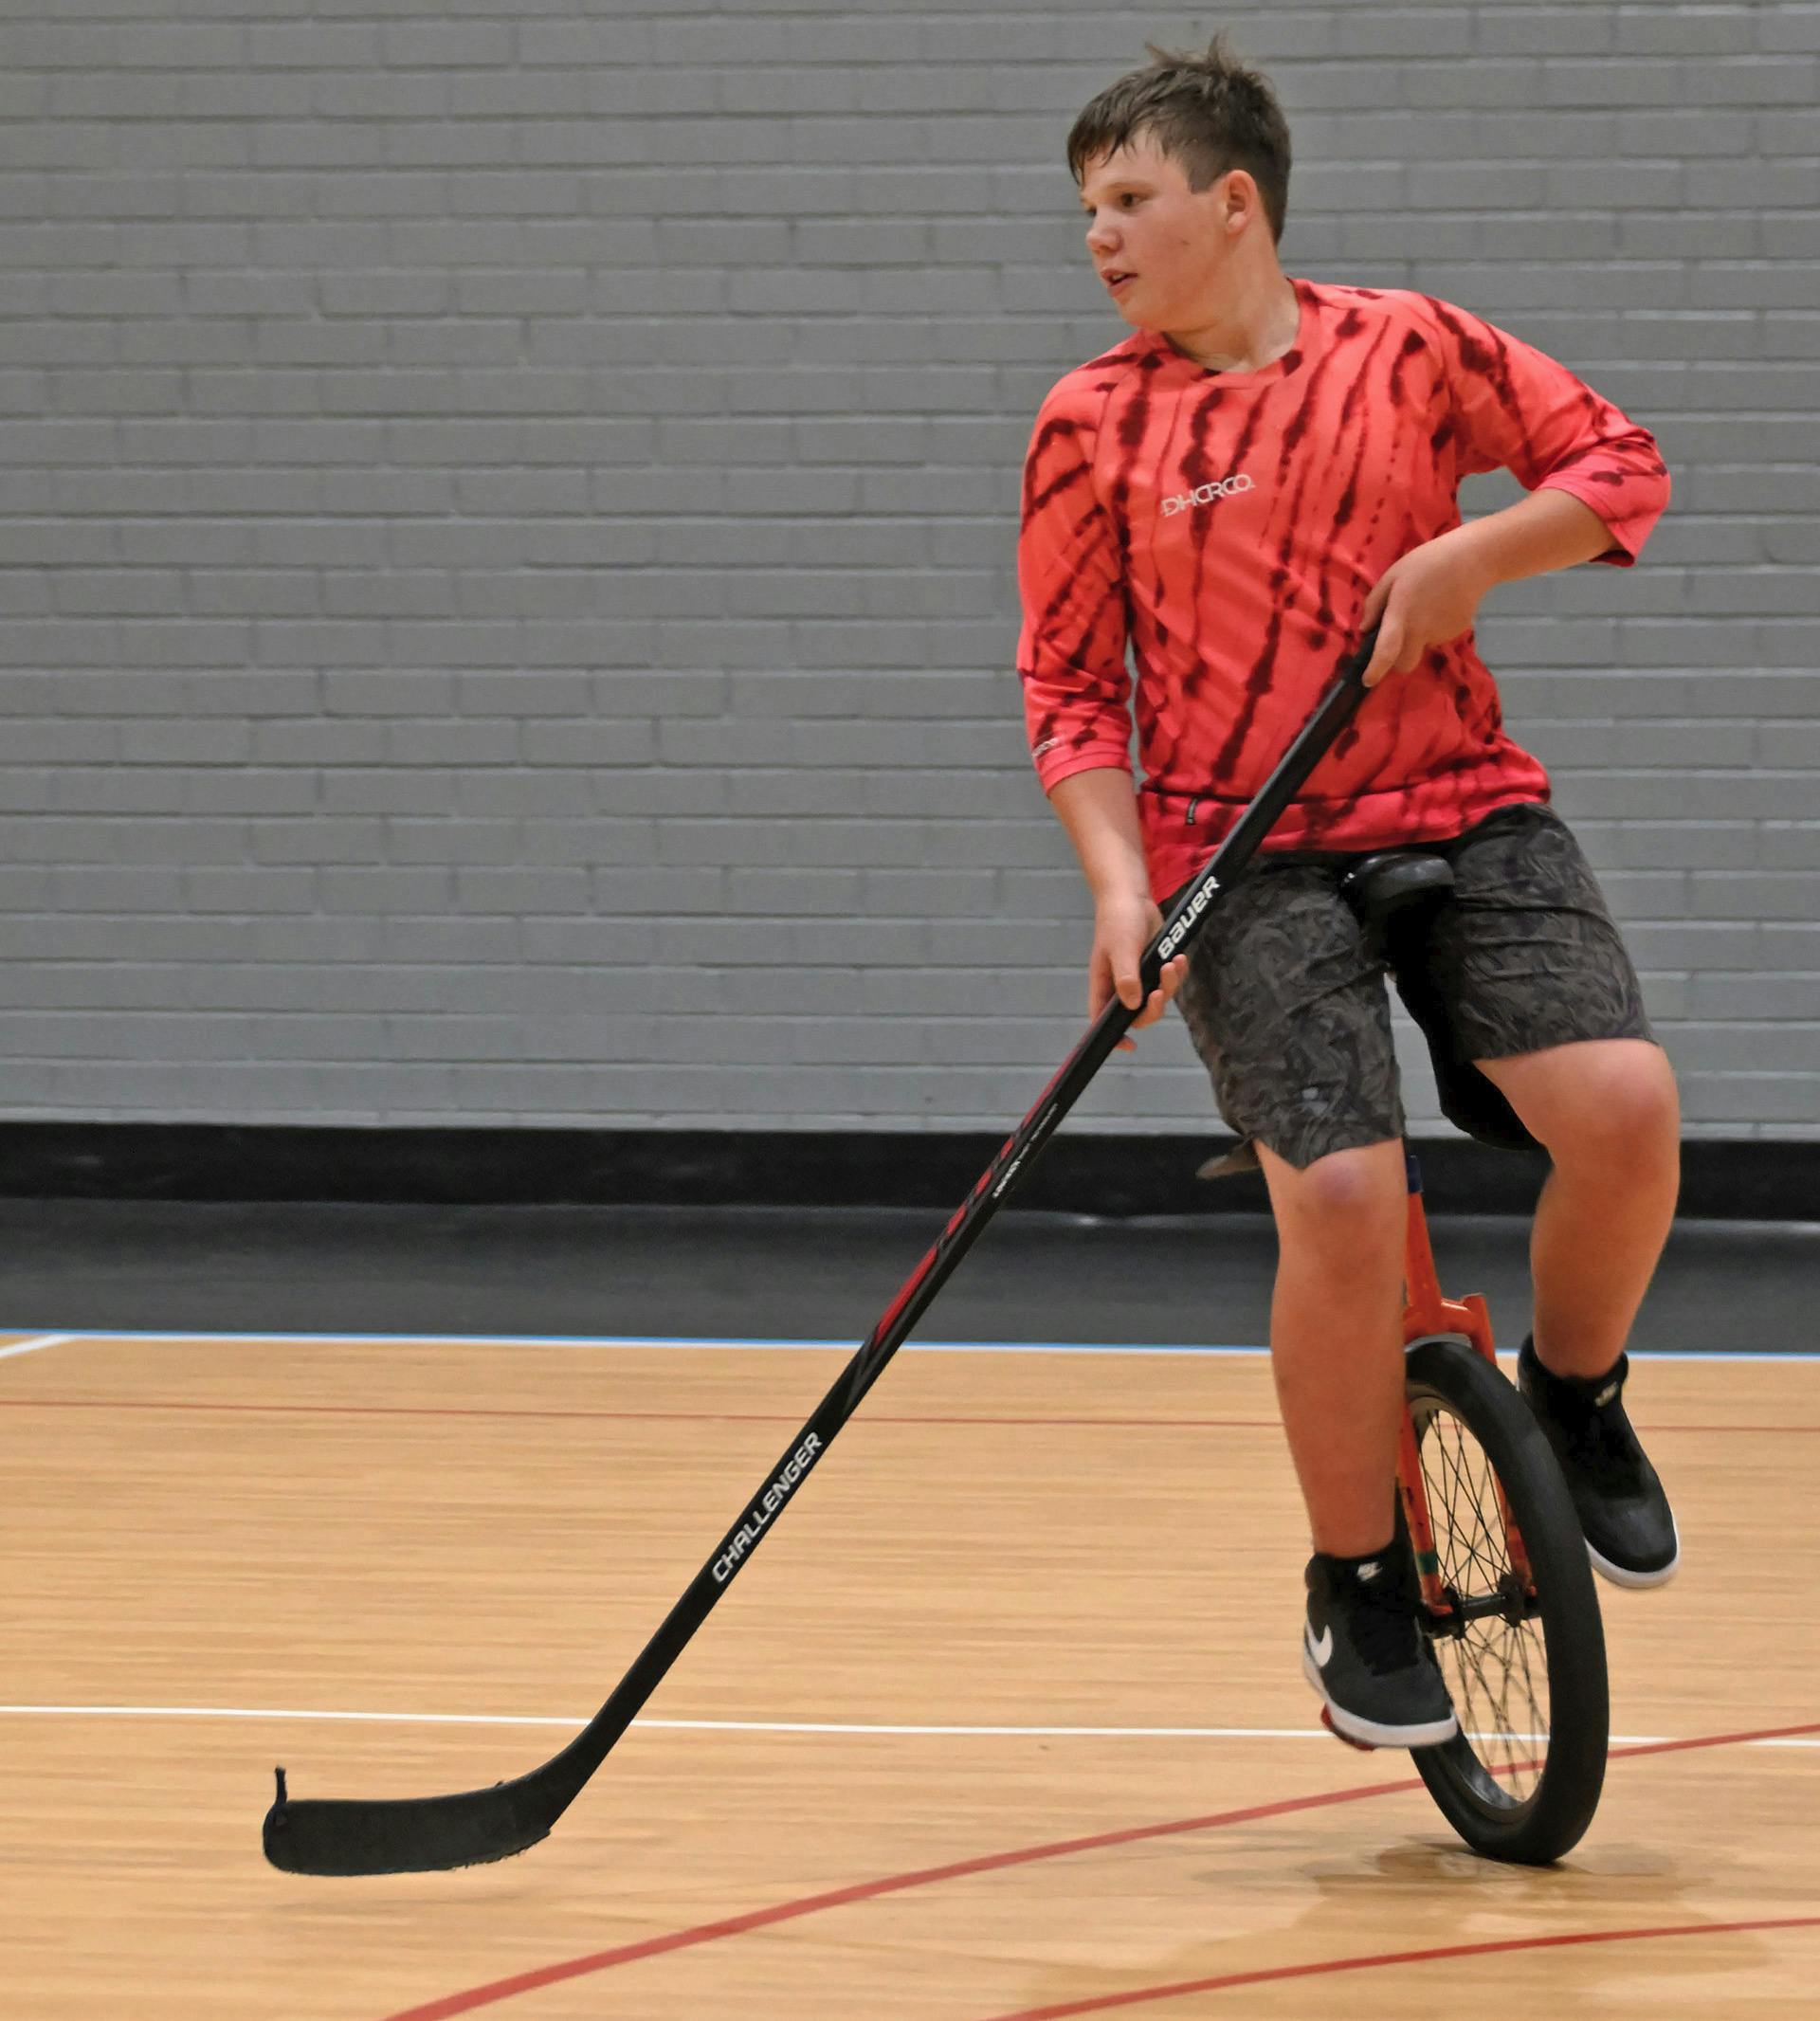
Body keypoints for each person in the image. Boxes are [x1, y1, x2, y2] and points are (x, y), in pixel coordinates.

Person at [1015, 36, 1681, 1750]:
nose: (1098, 237)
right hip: (1240, 857)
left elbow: (1619, 466)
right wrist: (1116, 893)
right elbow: (1075, 694)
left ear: (1232, 205)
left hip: (1462, 805)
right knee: (1341, 1201)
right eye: (1087, 210)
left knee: (1623, 1107)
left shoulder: (1407, 345)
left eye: (1128, 201)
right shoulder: (1094, 422)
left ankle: (1579, 1398)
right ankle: (1358, 1579)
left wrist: (1471, 557)